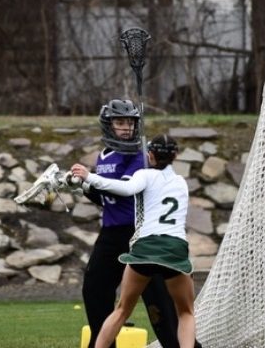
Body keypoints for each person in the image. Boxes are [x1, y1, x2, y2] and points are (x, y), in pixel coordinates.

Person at [79, 99, 200, 348]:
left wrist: (88, 179)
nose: (126, 128)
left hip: (138, 234)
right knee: (94, 290)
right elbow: (107, 199)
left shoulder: (141, 157)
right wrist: (83, 186)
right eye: (120, 122)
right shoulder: (103, 157)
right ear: (108, 124)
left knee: (159, 306)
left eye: (130, 123)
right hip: (110, 234)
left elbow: (124, 190)